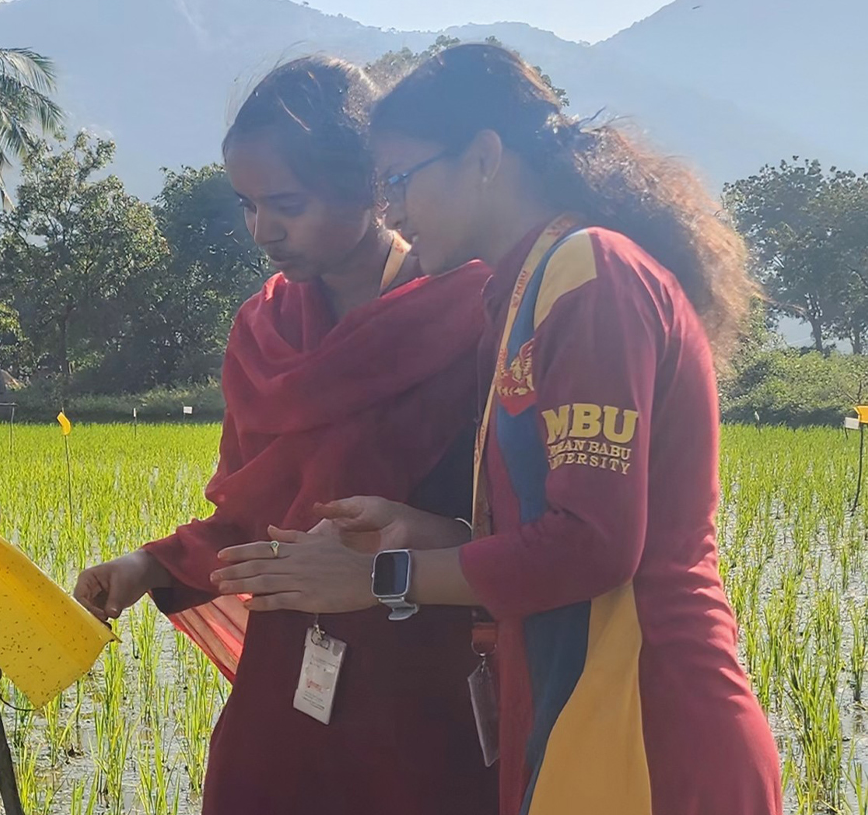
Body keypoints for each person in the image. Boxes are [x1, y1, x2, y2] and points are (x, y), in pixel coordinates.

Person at [215, 43, 782, 815]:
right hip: (564, 696)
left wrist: (383, 579)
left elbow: (594, 544)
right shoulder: (523, 295)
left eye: (401, 181)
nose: (392, 211)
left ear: (483, 157)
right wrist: (425, 531)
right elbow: (543, 532)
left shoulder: (593, 274)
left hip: (646, 713)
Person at [73, 56, 496, 813]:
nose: (264, 231)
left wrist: (416, 546)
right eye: (248, 206)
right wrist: (145, 567)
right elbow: (247, 524)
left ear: (368, 186)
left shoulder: (468, 314)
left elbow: (522, 527)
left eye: (288, 205)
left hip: (421, 683)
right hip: (289, 681)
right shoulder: (262, 330)